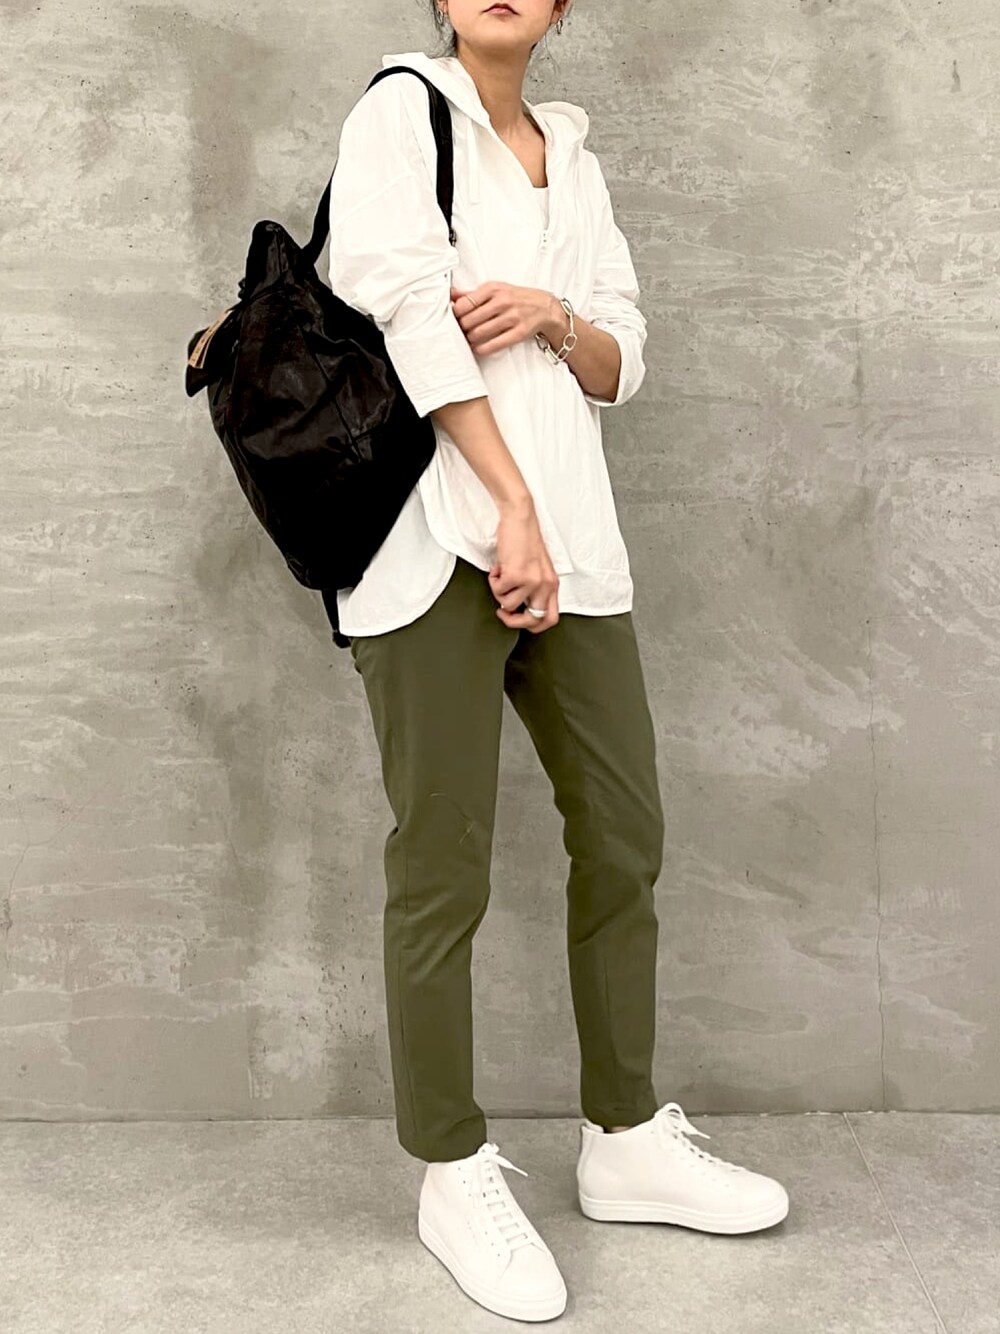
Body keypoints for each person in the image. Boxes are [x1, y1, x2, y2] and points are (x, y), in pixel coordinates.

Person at [326, 1, 789, 1321]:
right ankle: (450, 1167)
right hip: (436, 539)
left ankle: (625, 1138)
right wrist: (509, 503)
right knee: (443, 862)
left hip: (573, 543)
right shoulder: (398, 113)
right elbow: (409, 318)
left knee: (626, 833)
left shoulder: (571, 152)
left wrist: (551, 313)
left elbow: (620, 356)